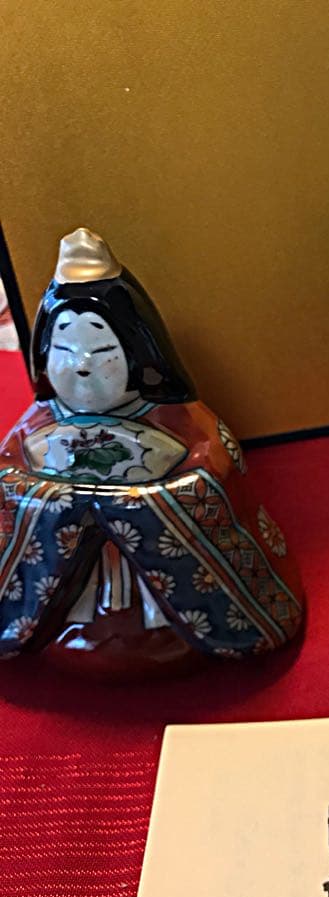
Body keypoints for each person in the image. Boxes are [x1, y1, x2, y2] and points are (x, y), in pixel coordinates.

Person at [0, 228, 303, 673]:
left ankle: (161, 627)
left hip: (163, 587)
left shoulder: (176, 418)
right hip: (64, 584)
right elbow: (8, 475)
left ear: (137, 350)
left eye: (102, 350)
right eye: (63, 348)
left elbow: (214, 469)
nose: (81, 365)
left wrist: (139, 505)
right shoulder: (40, 423)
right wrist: (57, 502)